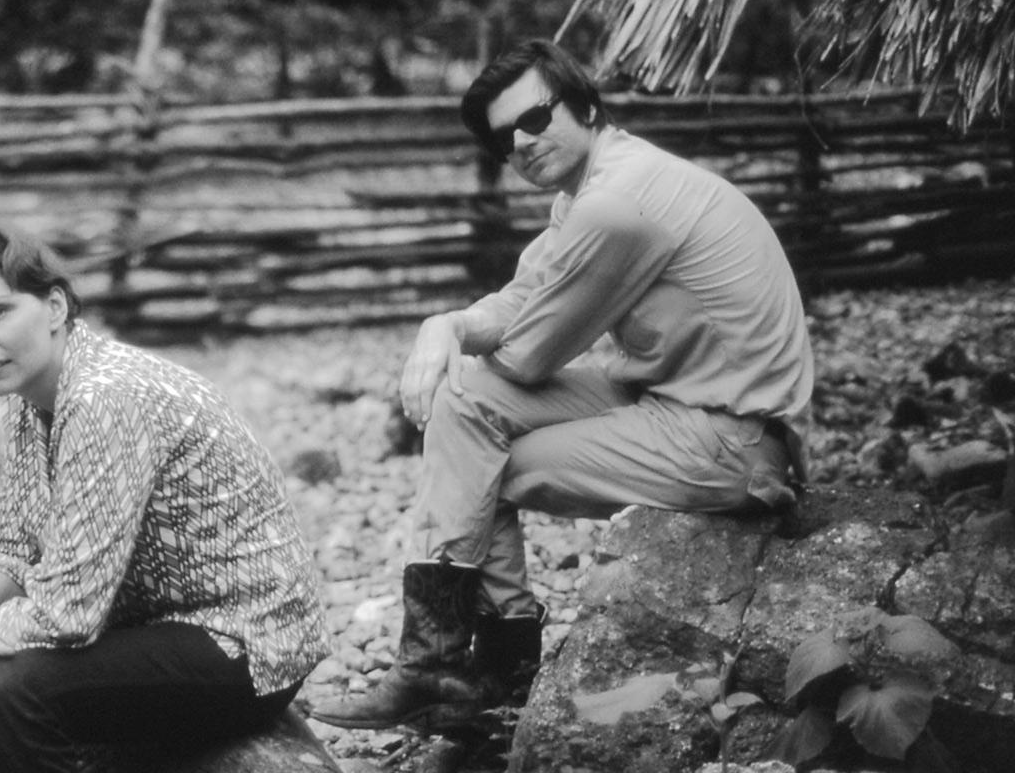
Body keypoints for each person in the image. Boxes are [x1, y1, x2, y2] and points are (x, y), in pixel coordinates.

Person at [311, 39, 814, 731]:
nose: (520, 143)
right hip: (666, 396)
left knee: (485, 466)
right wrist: (445, 326)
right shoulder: (590, 190)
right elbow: (522, 298)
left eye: (535, 119)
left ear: (584, 105)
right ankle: (440, 663)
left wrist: (461, 335)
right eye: (502, 139)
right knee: (463, 398)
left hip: (733, 438)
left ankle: (500, 668)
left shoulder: (618, 205)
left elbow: (528, 355)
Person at [0, 222, 329, 773]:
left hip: (240, 642)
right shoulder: (30, 395)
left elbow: (68, 613)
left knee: (12, 686)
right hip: (138, 614)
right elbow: (14, 536)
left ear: (55, 306)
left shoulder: (105, 397)